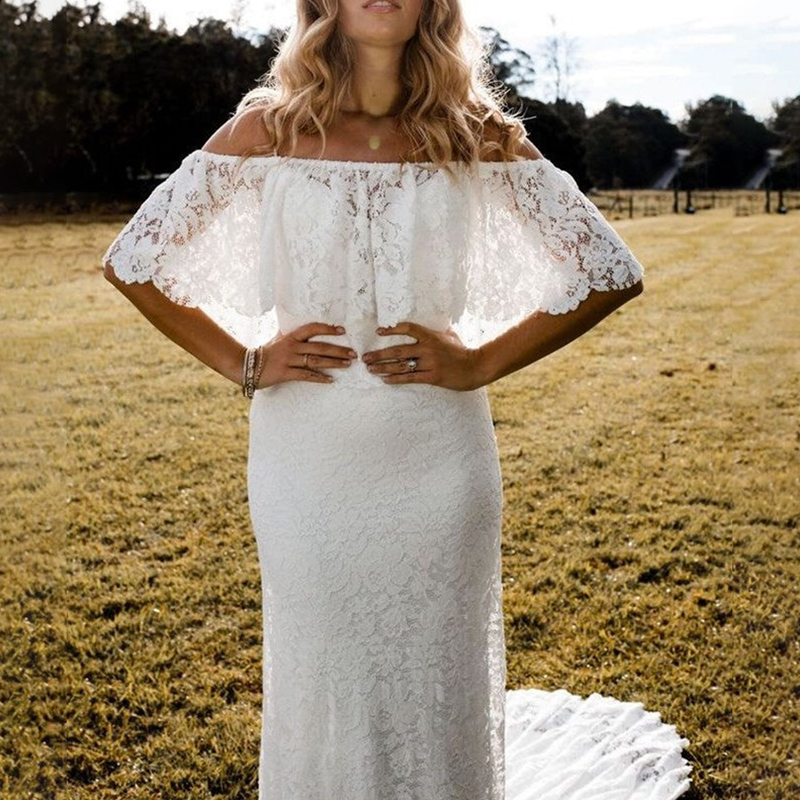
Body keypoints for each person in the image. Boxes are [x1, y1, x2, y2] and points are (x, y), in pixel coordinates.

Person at [103, 0, 692, 797]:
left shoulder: (477, 135)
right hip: (305, 461)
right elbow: (134, 259)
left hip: (438, 462)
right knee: (326, 667)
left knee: (433, 668)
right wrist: (244, 360)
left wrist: (479, 361)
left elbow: (609, 270)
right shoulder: (268, 131)